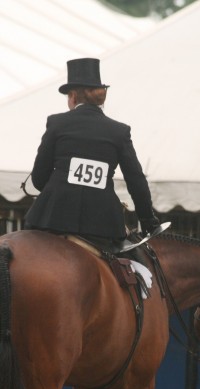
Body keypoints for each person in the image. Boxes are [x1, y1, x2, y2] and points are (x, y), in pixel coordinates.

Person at [24, 58, 160, 247]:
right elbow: (136, 180)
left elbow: (39, 178)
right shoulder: (119, 131)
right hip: (103, 222)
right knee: (134, 268)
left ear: (72, 96)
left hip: (52, 217)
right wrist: (147, 221)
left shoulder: (57, 123)